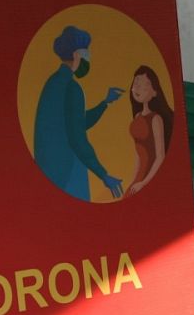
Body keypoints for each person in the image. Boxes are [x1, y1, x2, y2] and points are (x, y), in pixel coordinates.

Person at [31, 25, 124, 200]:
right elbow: (77, 137)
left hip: (47, 168)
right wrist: (103, 175)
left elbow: (76, 122)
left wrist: (105, 103)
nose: (88, 60)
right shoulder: (72, 88)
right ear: (76, 55)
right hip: (68, 169)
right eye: (86, 55)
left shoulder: (53, 81)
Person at [124, 65, 173, 197]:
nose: (138, 88)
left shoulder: (156, 119)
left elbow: (160, 156)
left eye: (145, 84)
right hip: (141, 174)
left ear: (154, 92)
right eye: (136, 83)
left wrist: (144, 183)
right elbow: (138, 155)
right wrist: (134, 180)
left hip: (152, 172)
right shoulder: (137, 116)